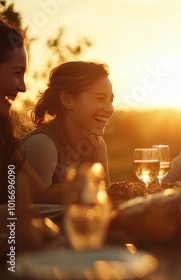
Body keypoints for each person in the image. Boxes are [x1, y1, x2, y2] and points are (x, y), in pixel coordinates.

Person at [20, 61, 114, 187]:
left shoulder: (97, 144)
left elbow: (105, 198)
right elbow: (34, 205)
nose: (110, 108)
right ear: (67, 100)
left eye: (111, 100)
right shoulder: (42, 145)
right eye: (100, 98)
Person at [0, 17, 44, 259]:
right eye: (17, 73)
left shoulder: (5, 136)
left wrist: (77, 187)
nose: (23, 87)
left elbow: (41, 194)